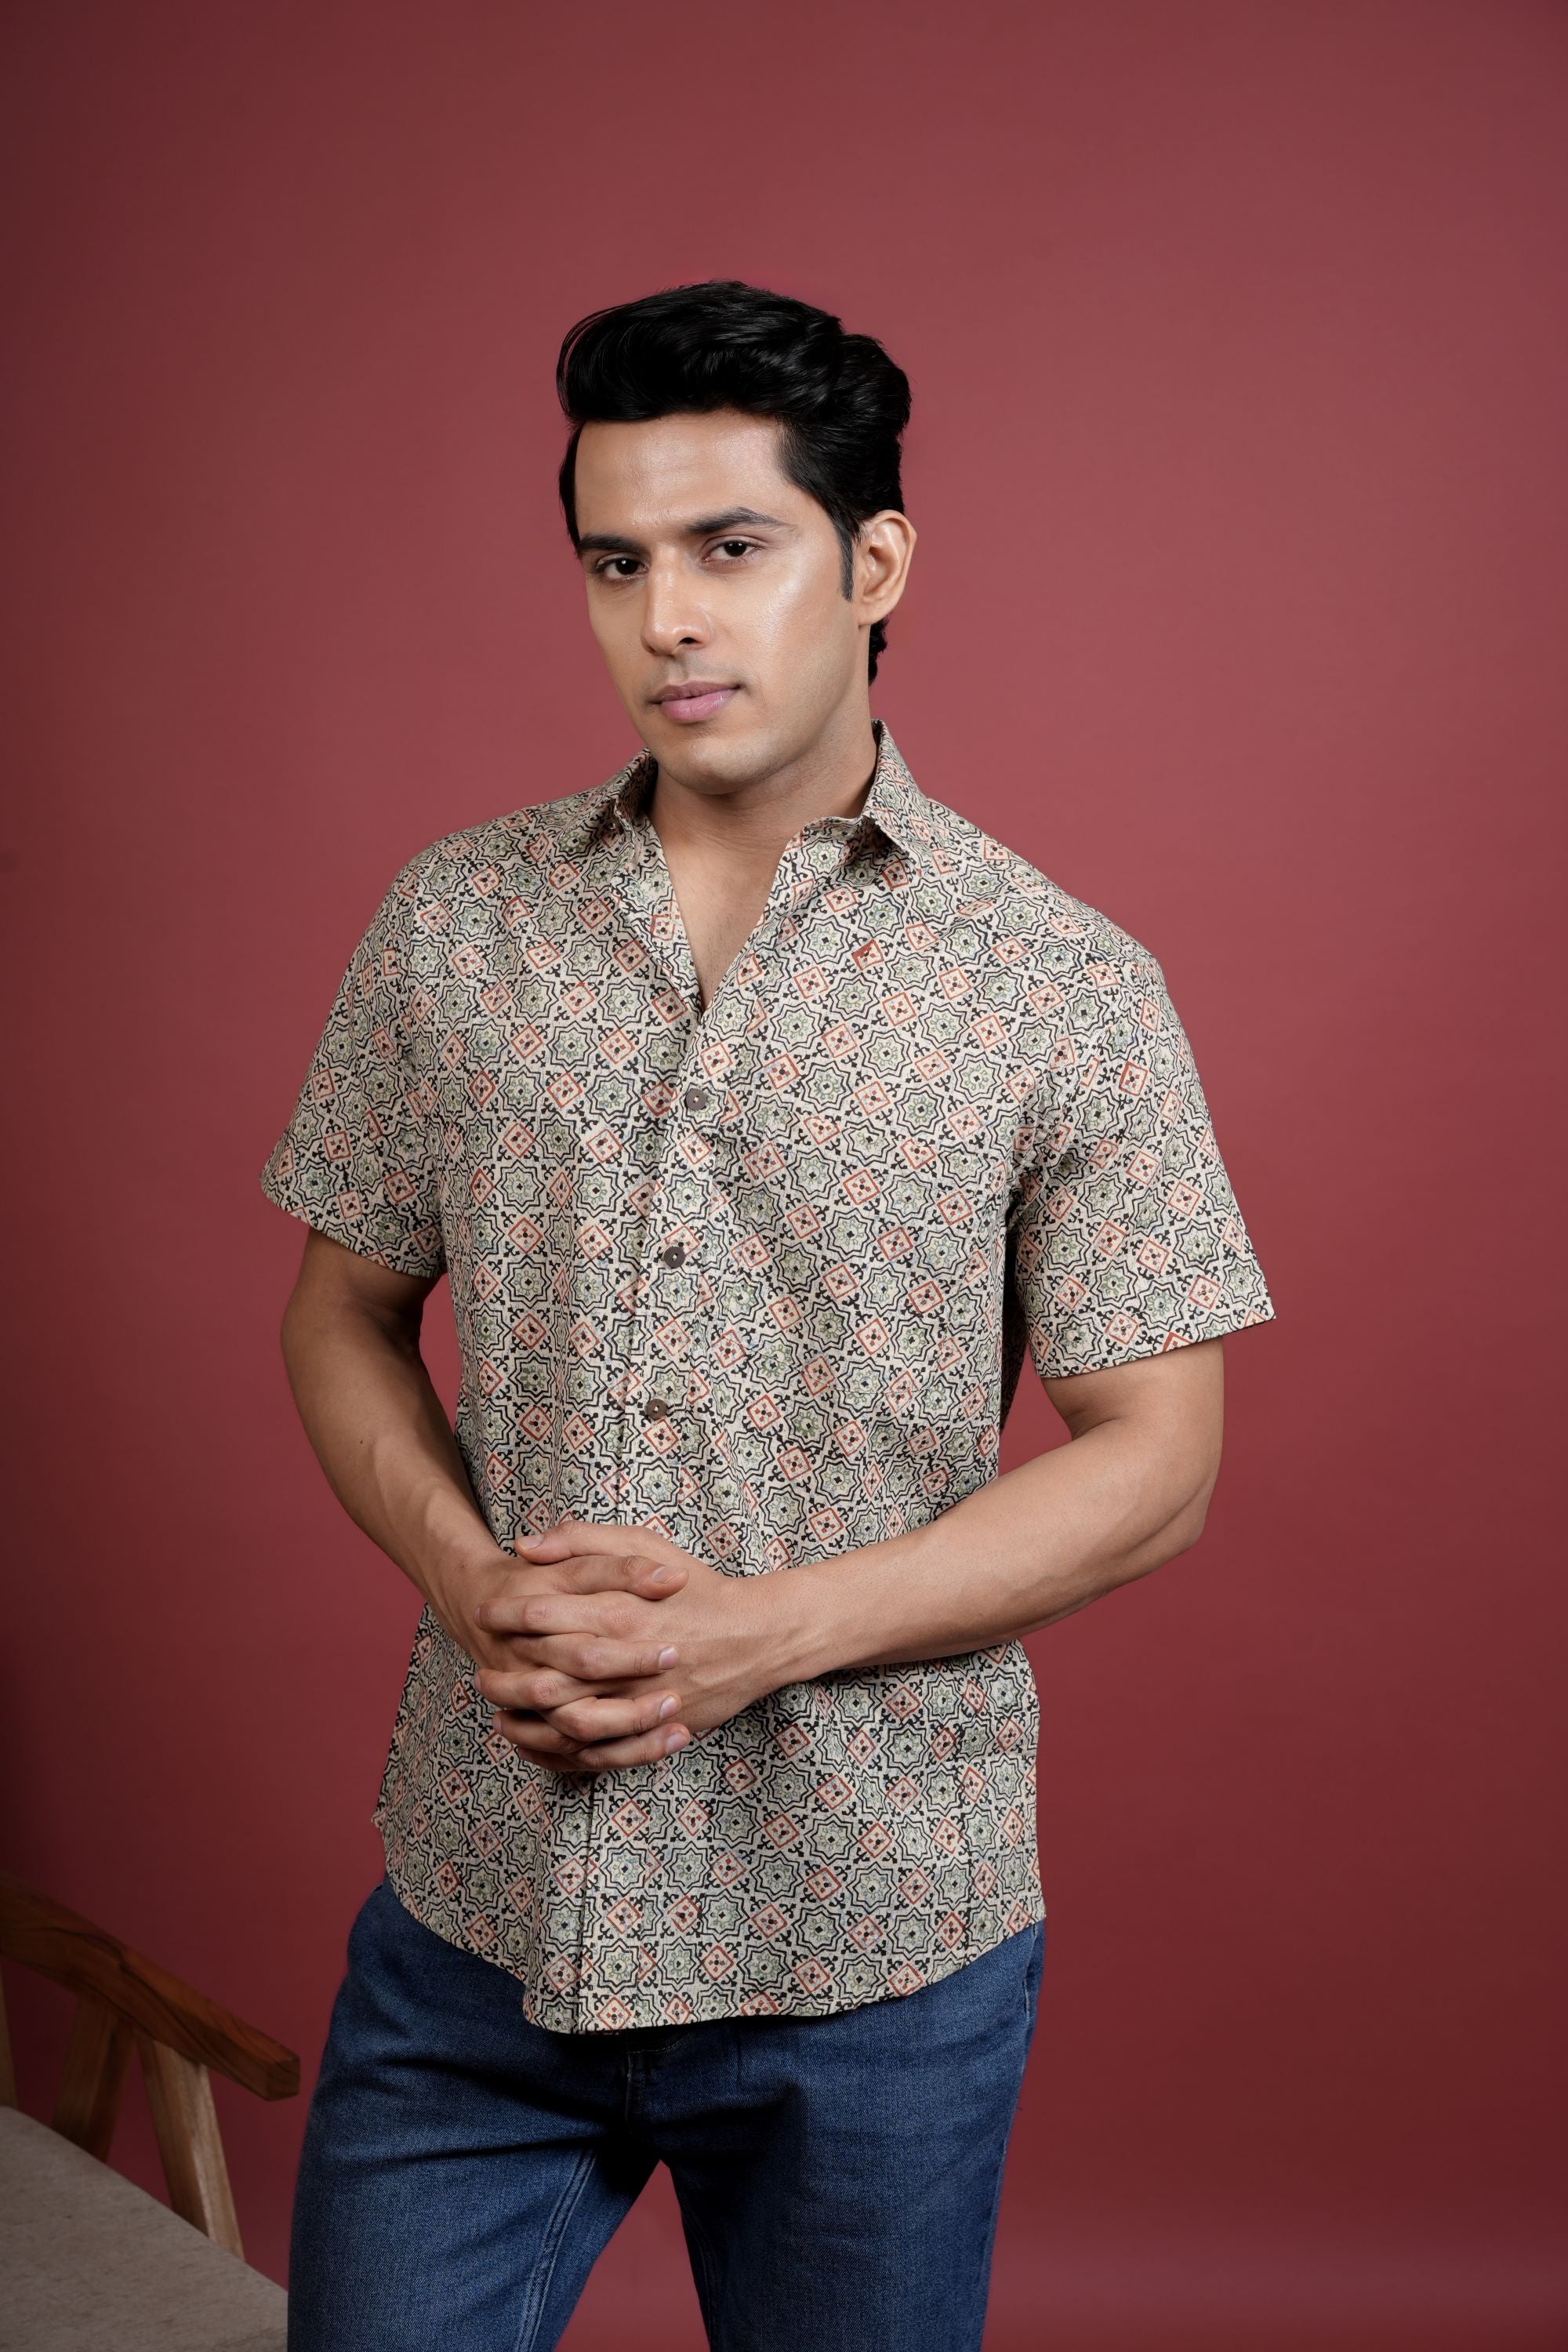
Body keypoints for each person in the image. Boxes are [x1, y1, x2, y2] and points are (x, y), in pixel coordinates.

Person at [261, 278, 1275, 2352]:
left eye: (731, 548)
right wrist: (467, 1580)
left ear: (873, 564)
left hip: (873, 1946)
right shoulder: (456, 922)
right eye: (616, 563)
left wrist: (760, 1635)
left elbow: (1161, 1462)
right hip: (480, 1912)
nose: (668, 619)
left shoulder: (1062, 984)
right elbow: (338, 1313)